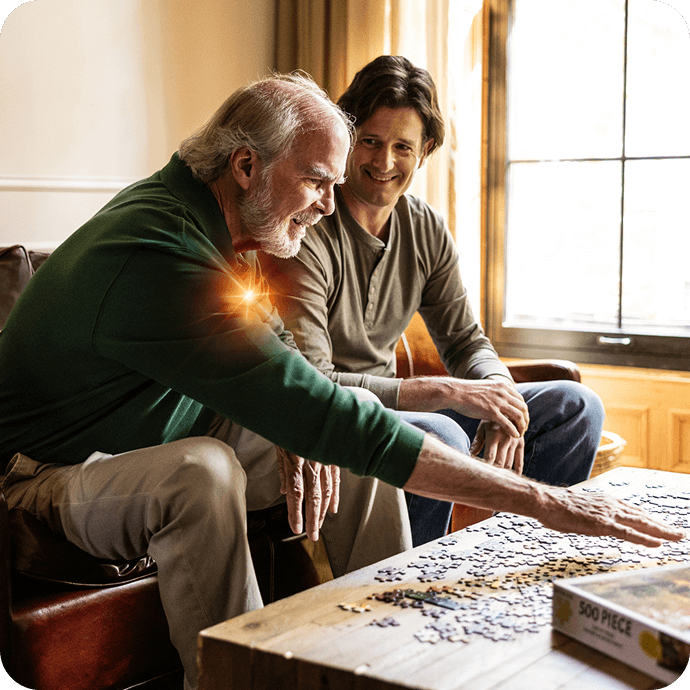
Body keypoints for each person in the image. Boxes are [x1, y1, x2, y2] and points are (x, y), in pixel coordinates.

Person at [0, 73, 682, 690]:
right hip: (42, 479)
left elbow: (289, 376)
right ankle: (244, 679)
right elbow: (315, 403)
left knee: (340, 429)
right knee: (203, 470)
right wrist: (550, 502)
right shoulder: (160, 251)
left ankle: (394, 660)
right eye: (319, 180)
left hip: (148, 434)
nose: (330, 203)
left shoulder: (223, 226)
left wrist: (292, 420)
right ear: (246, 166)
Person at [262, 56, 608, 539]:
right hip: (343, 418)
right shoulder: (309, 226)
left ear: (424, 151)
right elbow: (317, 383)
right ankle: (411, 590)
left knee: (576, 406)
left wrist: (500, 395)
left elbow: (466, 343)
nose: (384, 163)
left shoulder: (425, 227)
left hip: (406, 410)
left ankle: (513, 555)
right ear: (345, 141)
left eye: (402, 146)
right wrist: (449, 392)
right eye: (370, 142)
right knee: (440, 434)